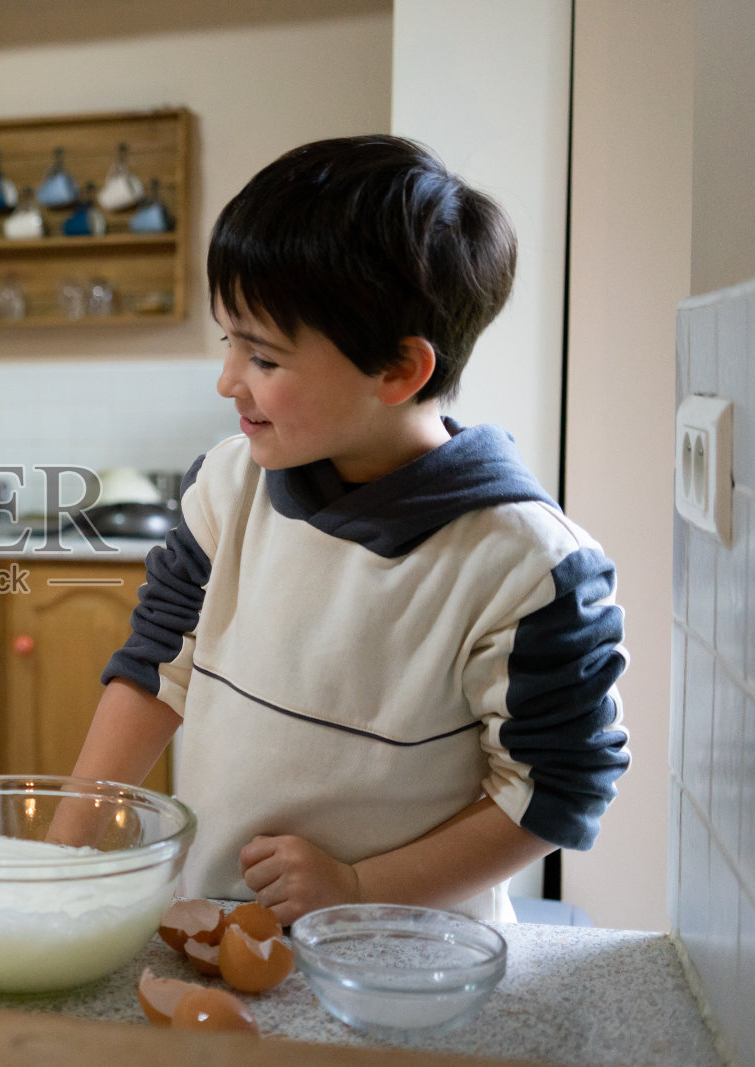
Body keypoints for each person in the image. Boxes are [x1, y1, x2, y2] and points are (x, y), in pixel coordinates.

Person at [71, 135, 629, 924]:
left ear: (401, 371)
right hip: (221, 928)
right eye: (229, 340)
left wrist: (359, 888)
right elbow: (155, 669)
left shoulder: (527, 567)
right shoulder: (230, 485)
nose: (228, 379)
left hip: (406, 964)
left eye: (262, 356)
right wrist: (62, 858)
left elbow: (559, 789)